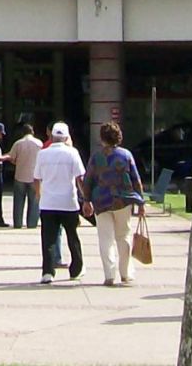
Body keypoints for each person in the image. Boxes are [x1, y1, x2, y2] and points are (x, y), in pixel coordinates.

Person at [84, 120, 145, 285]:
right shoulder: (126, 155)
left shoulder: (96, 157)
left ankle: (109, 274)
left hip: (101, 201)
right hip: (123, 201)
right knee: (123, 236)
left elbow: (88, 180)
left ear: (102, 138)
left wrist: (86, 200)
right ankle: (125, 273)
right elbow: (136, 179)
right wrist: (141, 202)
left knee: (105, 238)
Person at [33, 121, 86, 283]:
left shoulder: (43, 153)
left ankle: (48, 272)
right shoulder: (72, 153)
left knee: (48, 238)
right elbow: (80, 178)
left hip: (48, 203)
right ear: (66, 137)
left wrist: (39, 194)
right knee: (72, 236)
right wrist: (86, 198)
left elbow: (37, 178)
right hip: (68, 203)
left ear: (52, 136)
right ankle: (76, 269)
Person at [8, 123, 43, 229]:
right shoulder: (39, 143)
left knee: (18, 202)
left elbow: (12, 158)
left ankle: (18, 223)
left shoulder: (18, 144)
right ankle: (32, 224)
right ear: (32, 132)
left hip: (20, 176)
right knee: (34, 201)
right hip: (34, 177)